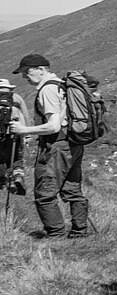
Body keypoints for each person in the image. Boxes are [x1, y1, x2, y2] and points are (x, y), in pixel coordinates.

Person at [9, 54, 92, 238]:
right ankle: (80, 231)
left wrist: (23, 130)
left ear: (41, 69)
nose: (24, 76)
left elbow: (53, 125)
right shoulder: (61, 85)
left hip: (56, 146)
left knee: (44, 192)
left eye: (26, 72)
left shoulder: (47, 90)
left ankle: (55, 234)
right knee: (72, 189)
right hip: (73, 144)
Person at [0, 78, 28, 197]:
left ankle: (2, 180)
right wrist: (27, 136)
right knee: (17, 157)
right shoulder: (16, 98)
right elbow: (25, 116)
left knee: (1, 158)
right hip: (14, 133)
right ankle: (16, 176)